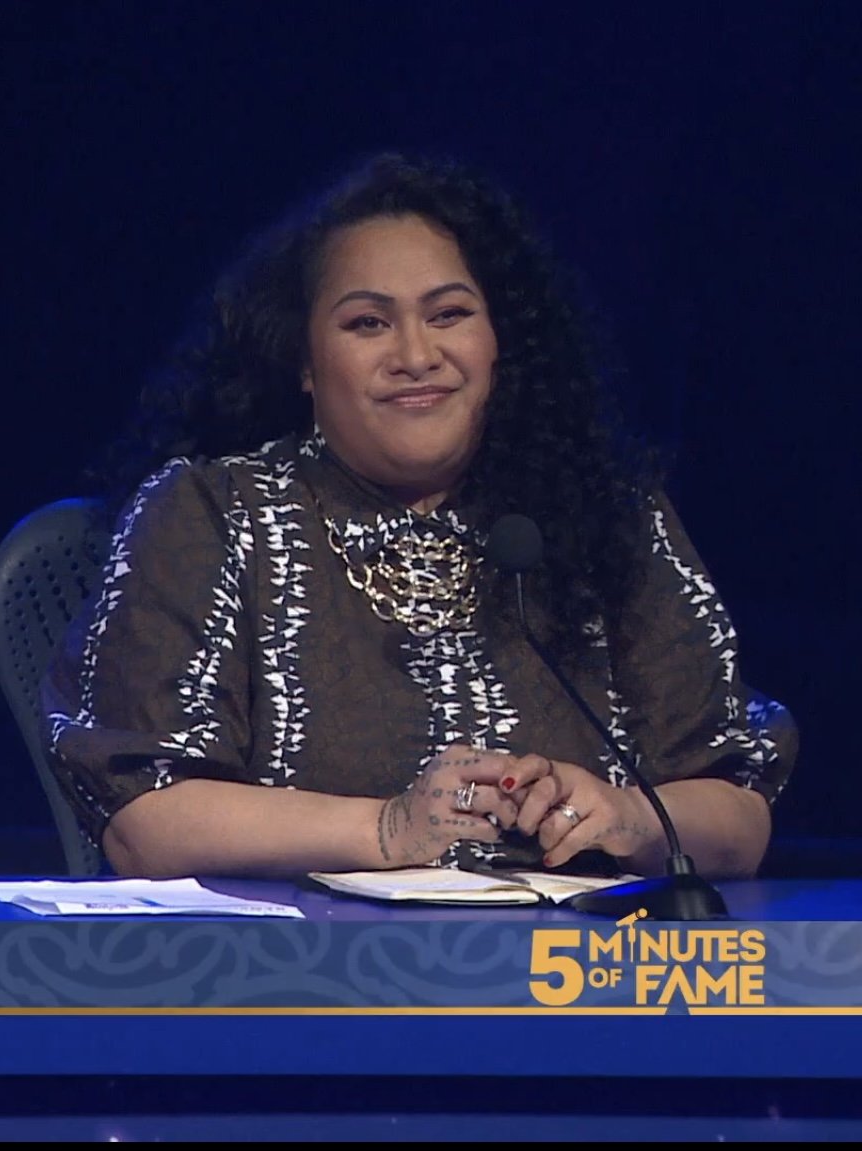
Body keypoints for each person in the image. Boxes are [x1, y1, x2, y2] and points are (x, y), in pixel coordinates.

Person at [43, 154, 794, 880]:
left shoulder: (612, 517)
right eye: (368, 323)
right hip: (298, 988)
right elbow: (145, 823)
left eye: (449, 314)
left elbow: (739, 816)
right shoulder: (212, 515)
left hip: (579, 988)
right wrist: (386, 828)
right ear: (304, 361)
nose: (416, 354)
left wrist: (628, 816)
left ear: (501, 341)